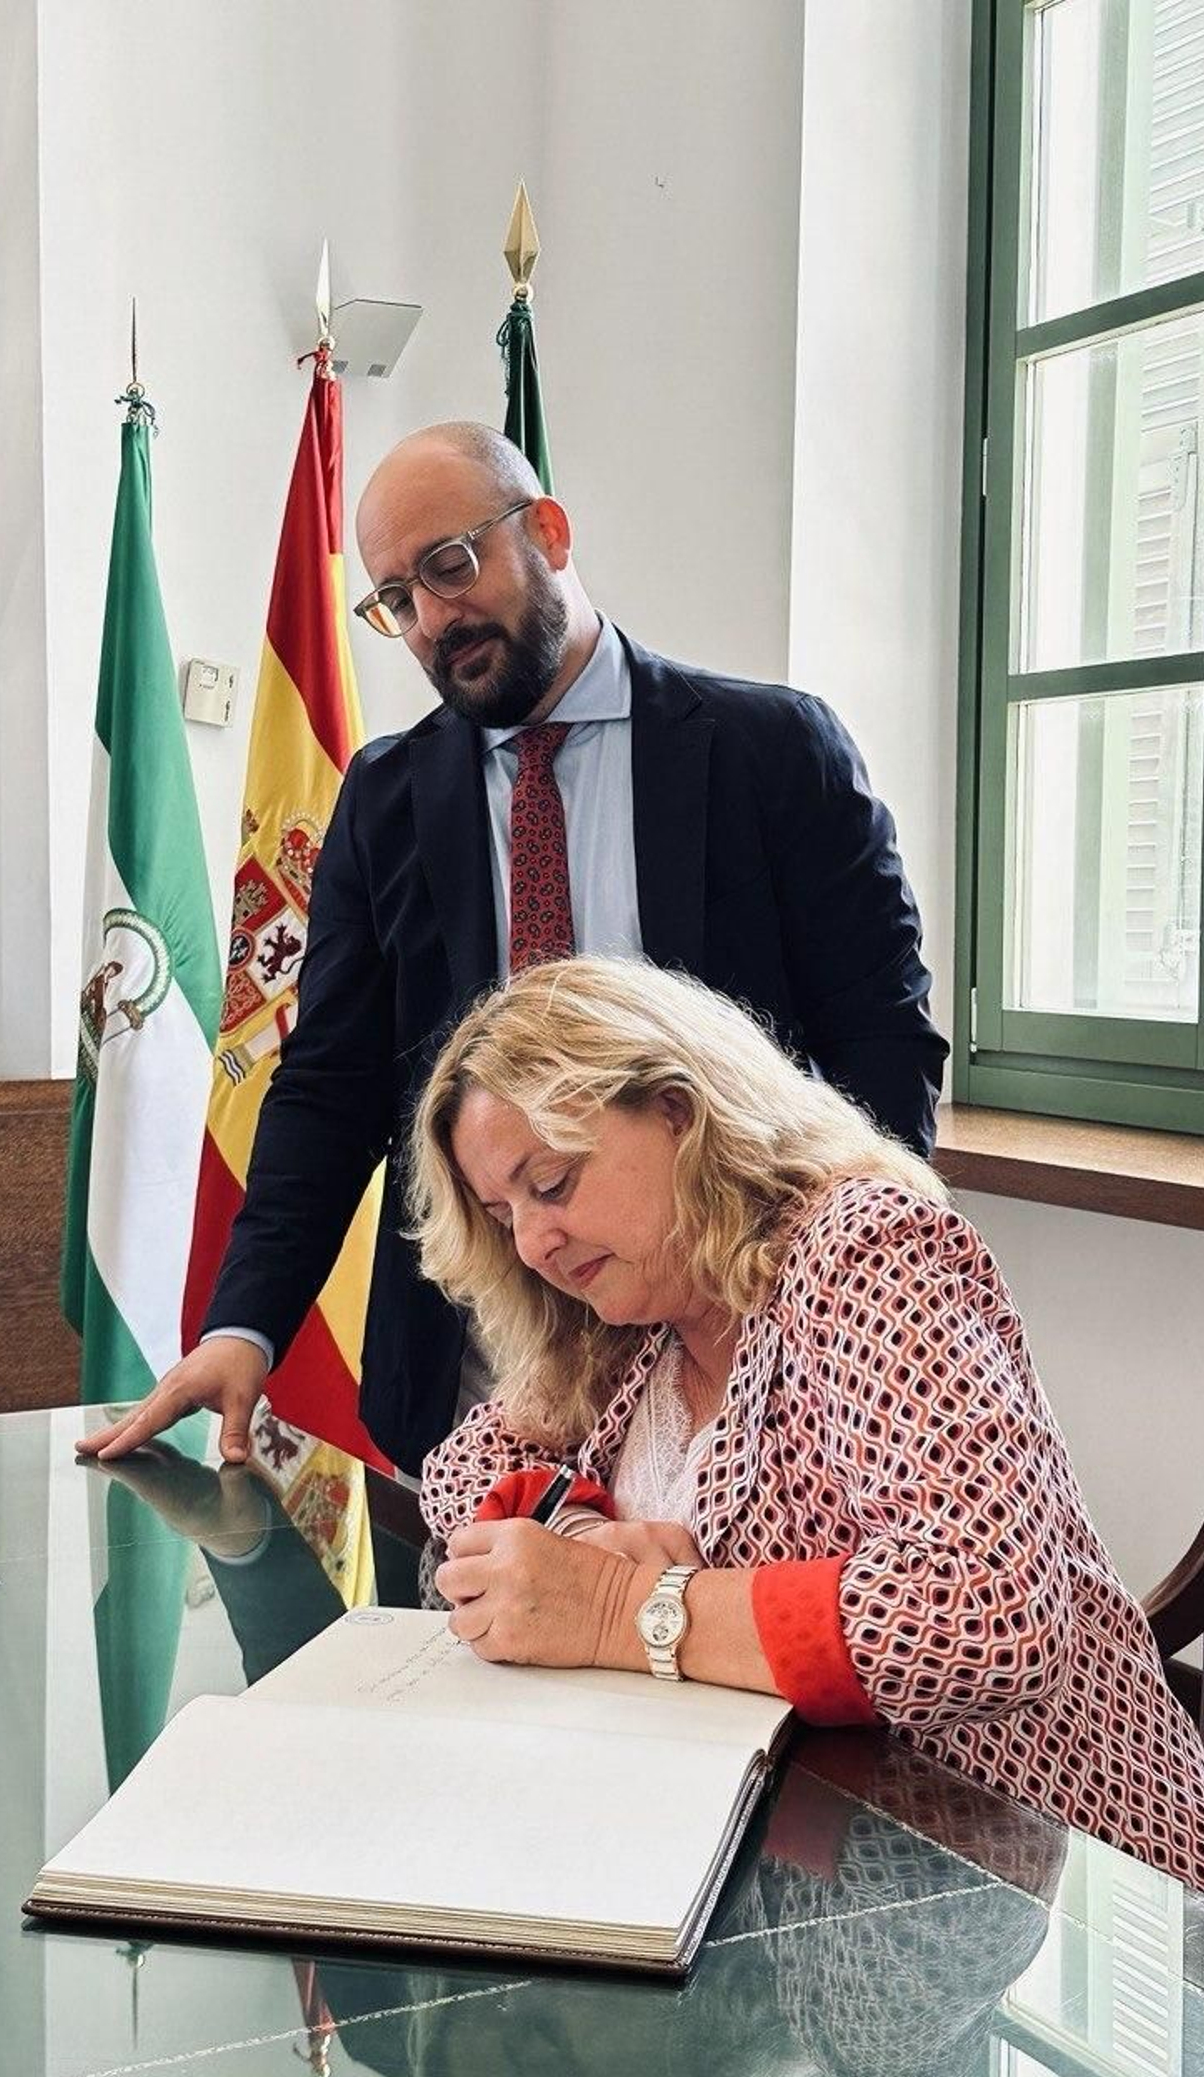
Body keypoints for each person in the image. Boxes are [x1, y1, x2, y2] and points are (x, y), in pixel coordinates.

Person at [82, 421, 946, 1477]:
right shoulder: (383, 801)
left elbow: (883, 1044)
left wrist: (845, 1286)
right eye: (397, 600)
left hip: (740, 1329)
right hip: (485, 1368)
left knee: (697, 1628)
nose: (434, 618)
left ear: (548, 530)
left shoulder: (769, 752)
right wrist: (243, 1326)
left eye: (450, 566)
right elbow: (330, 1091)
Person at [411, 957, 1204, 1908]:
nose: (531, 1243)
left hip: (1068, 1896)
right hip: (835, 1873)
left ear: (680, 1114)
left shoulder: (865, 1250)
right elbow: (473, 1462)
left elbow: (988, 1608)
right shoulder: (628, 1314)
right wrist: (577, 1536)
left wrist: (627, 1607)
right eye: (501, 1213)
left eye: (552, 1183)